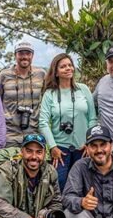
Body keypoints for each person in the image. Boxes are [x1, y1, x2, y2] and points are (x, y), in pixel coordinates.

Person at [38, 53, 97, 191]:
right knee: (59, 183)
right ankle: (60, 211)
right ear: (56, 72)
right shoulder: (50, 94)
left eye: (70, 65)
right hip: (60, 150)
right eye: (63, 66)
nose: (68, 68)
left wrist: (90, 142)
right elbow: (43, 122)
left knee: (84, 184)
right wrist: (52, 147)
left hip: (83, 148)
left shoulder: (83, 89)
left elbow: (92, 118)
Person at [0, 41, 46, 147]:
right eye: (21, 53)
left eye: (28, 53)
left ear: (32, 55)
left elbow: (47, 101)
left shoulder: (41, 74)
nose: (24, 57)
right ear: (15, 55)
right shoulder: (4, 75)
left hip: (34, 132)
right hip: (9, 134)